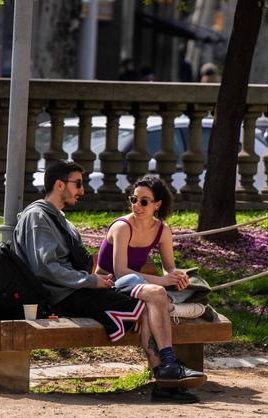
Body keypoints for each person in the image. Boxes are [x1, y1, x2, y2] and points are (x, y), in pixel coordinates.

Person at [12, 160, 204, 387]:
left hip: (78, 290)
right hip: (61, 297)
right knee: (150, 301)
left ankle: (164, 373)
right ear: (59, 185)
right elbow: (45, 268)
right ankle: (168, 367)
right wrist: (92, 280)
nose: (83, 190)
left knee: (147, 307)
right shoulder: (38, 217)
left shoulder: (58, 218)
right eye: (78, 184)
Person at [96, 176, 206, 320]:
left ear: (157, 204)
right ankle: (170, 308)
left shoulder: (162, 230)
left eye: (144, 201)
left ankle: (167, 304)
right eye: (134, 199)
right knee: (136, 280)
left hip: (139, 287)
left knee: (195, 282)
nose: (136, 205)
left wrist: (177, 277)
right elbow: (121, 272)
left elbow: (169, 267)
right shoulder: (122, 227)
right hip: (110, 286)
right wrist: (163, 281)